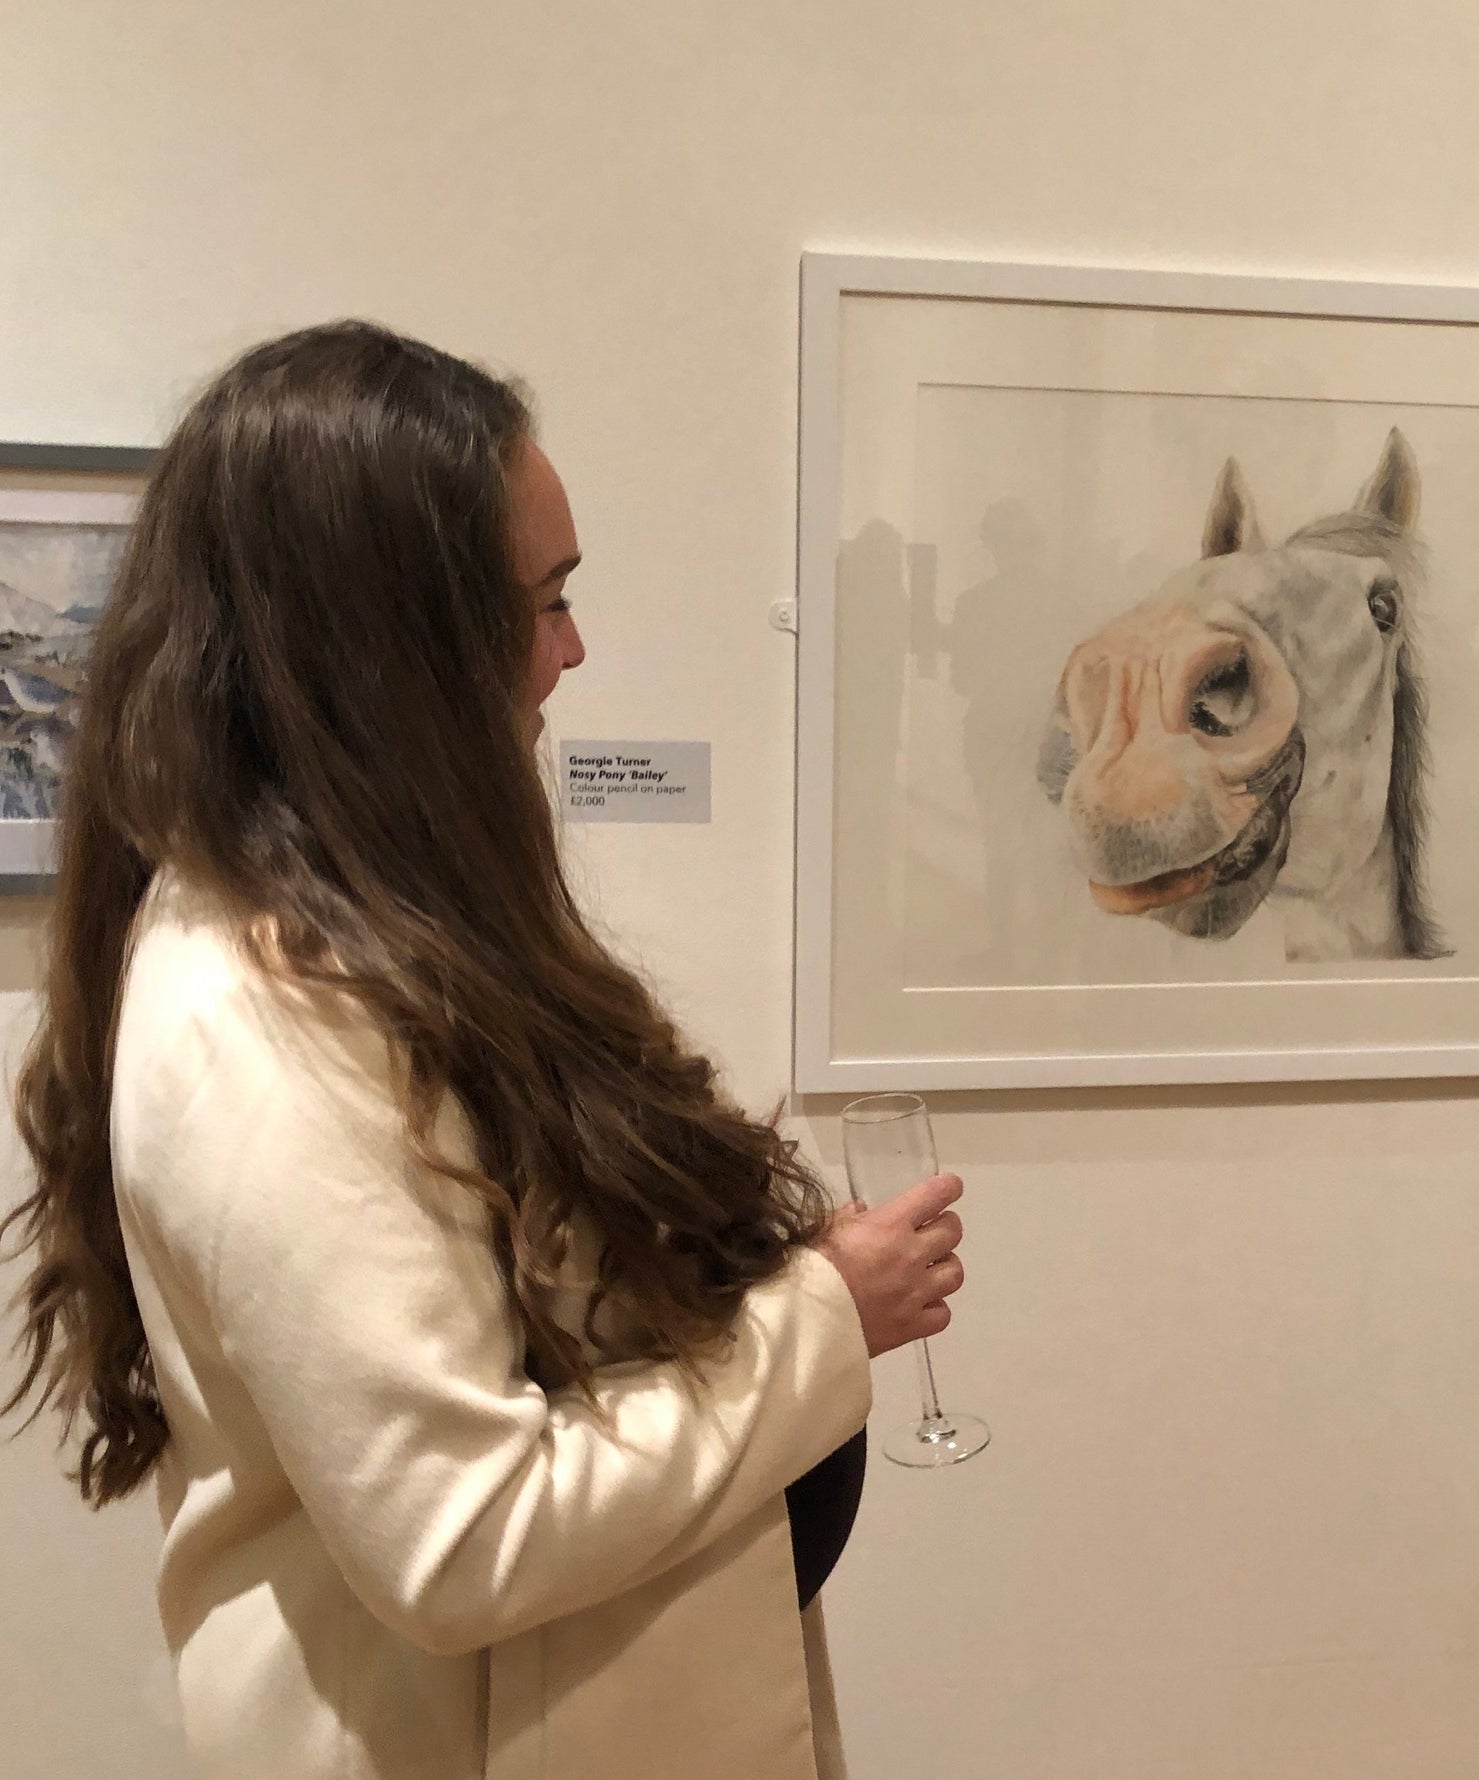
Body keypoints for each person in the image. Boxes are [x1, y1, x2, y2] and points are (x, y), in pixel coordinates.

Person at [1, 321, 966, 1780]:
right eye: (545, 602)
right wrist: (825, 1318)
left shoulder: (368, 930)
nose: (572, 650)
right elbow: (465, 1535)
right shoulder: (263, 1023)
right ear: (391, 650)